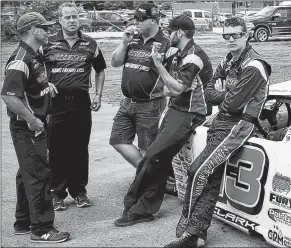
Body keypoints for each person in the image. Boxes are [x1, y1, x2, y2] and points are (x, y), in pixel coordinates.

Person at [165, 17, 272, 247]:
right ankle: (196, 235)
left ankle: (186, 219)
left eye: (236, 35)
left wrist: (228, 95)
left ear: (247, 35)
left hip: (240, 125)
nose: (231, 39)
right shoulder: (228, 60)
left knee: (197, 171)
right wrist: (231, 93)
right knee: (211, 178)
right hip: (220, 121)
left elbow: (233, 106)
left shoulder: (255, 66)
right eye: (227, 36)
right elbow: (209, 93)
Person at [114, 15, 213, 227]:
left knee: (153, 156)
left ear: (179, 33)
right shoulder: (181, 53)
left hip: (189, 113)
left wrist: (159, 65)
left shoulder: (193, 57)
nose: (168, 35)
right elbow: (170, 88)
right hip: (177, 107)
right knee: (157, 158)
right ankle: (141, 207)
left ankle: (135, 206)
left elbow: (175, 88)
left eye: (170, 32)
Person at [1, 12, 70, 243]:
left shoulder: (34, 54)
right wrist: (33, 120)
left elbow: (30, 84)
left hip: (34, 125)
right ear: (31, 30)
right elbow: (10, 97)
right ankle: (41, 229)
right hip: (29, 128)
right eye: (44, 27)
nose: (49, 31)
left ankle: (23, 221)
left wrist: (45, 86)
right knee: (39, 175)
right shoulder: (20, 59)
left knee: (27, 173)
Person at [41, 2, 107, 211]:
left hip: (81, 104)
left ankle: (79, 191)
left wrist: (98, 94)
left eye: (75, 17)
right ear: (59, 20)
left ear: (79, 19)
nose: (71, 21)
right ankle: (57, 193)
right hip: (55, 105)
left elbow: (101, 70)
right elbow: (34, 69)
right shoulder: (47, 44)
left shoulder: (90, 44)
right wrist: (42, 85)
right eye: (67, 17)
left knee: (79, 149)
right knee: (57, 149)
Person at [110, 3, 169, 175]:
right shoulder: (132, 40)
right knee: (117, 139)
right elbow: (114, 62)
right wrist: (124, 43)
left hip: (150, 104)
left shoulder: (165, 43)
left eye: (141, 19)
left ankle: (150, 182)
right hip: (128, 101)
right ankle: (148, 176)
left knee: (147, 149)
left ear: (153, 20)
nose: (136, 22)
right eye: (135, 18)